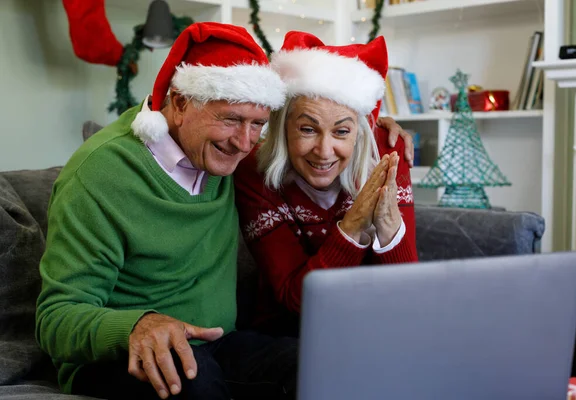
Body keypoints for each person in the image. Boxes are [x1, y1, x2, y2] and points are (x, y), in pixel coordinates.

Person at [35, 22, 299, 400]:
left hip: (219, 344)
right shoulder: (100, 174)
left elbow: (317, 141)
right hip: (122, 356)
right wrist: (138, 325)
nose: (245, 143)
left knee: (313, 362)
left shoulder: (224, 154)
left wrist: (376, 128)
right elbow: (55, 319)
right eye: (230, 120)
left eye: (257, 124)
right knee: (195, 382)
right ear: (178, 104)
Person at [234, 32, 419, 337]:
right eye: (308, 129)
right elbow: (297, 299)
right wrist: (353, 226)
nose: (324, 151)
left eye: (342, 132)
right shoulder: (254, 172)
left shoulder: (386, 153)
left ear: (360, 131)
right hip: (288, 336)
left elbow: (407, 296)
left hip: (374, 329)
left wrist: (387, 226)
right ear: (282, 128)